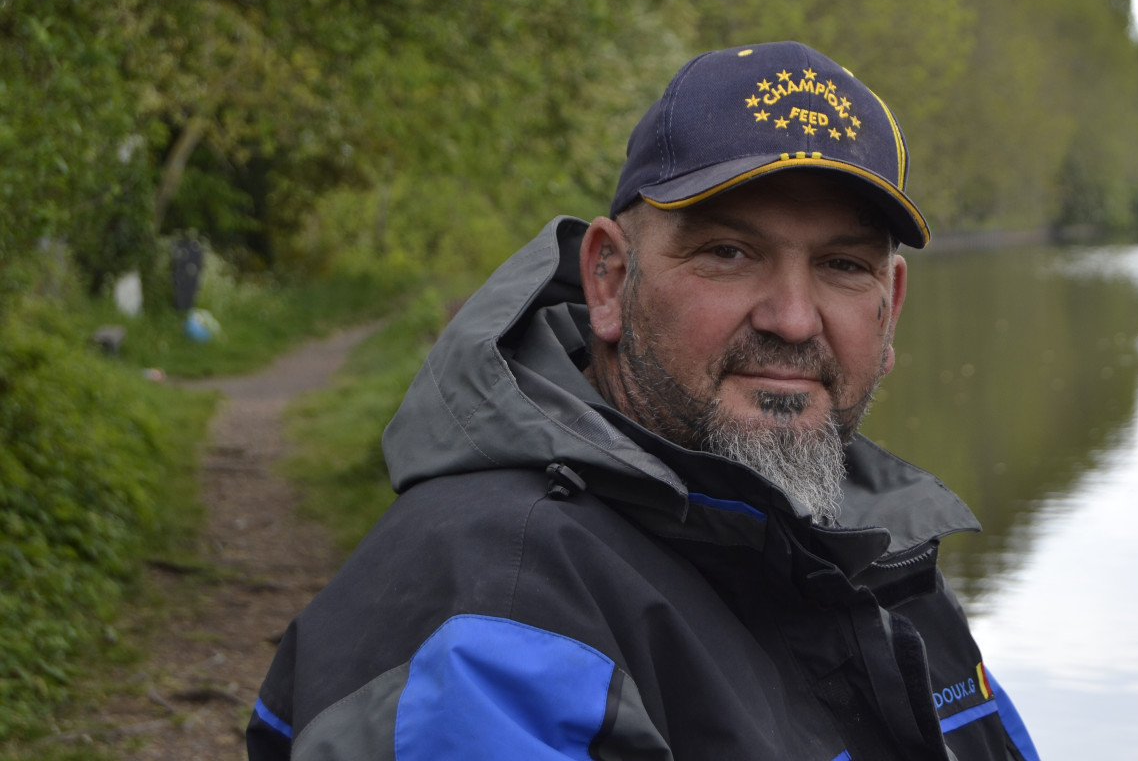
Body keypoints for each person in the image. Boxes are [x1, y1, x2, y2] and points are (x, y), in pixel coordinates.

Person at [246, 41, 1041, 761]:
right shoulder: (497, 610)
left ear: (889, 308)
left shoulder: (881, 567)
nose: (793, 319)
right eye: (729, 253)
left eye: (842, 265)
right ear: (609, 279)